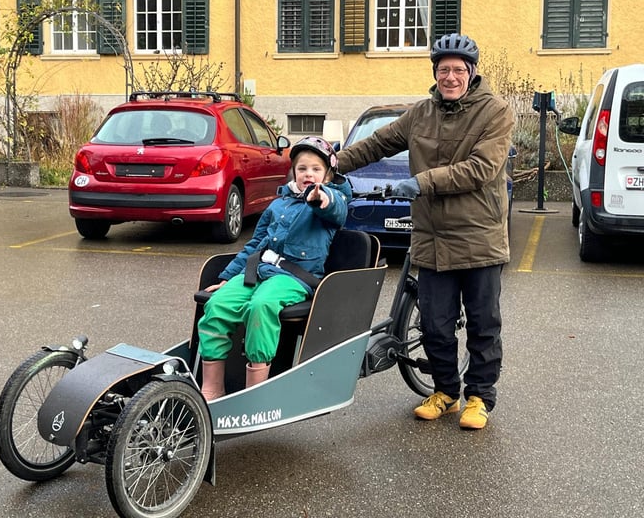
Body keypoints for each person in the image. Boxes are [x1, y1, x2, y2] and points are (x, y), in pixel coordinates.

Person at [337, 33, 515, 430]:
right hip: (432, 238)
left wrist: (422, 182)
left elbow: (481, 169)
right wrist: (330, 163)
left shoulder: (496, 112)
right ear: (435, 73)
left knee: (483, 324)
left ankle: (479, 397)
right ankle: (446, 392)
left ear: (471, 73)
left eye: (458, 70)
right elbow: (377, 143)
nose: (450, 77)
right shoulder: (421, 113)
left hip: (479, 236)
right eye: (443, 69)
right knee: (435, 324)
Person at [197, 136, 351, 401]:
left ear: (327, 175)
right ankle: (212, 389)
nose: (308, 174)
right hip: (259, 271)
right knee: (217, 304)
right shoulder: (278, 204)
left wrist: (322, 198)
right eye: (302, 168)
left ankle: (254, 395)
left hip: (294, 278)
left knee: (261, 306)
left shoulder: (328, 199)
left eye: (316, 169)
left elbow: (335, 208)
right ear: (294, 172)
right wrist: (227, 277)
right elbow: (254, 245)